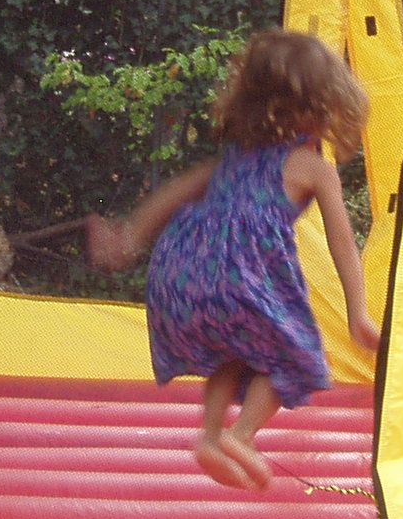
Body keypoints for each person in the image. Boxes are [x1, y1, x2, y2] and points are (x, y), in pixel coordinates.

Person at [86, 29, 380, 489]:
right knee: (292, 355)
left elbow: (175, 193)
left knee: (234, 348)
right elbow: (343, 242)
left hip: (183, 268)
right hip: (241, 273)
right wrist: (357, 312)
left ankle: (209, 436)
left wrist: (129, 237)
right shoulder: (314, 168)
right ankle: (240, 435)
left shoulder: (234, 158)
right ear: (321, 106)